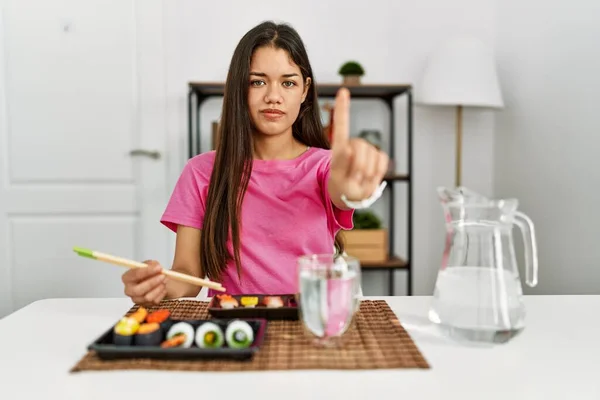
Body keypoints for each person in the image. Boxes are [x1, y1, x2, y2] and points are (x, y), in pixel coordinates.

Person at [122, 21, 389, 306]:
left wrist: (354, 190)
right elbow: (188, 274)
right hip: (235, 326)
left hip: (310, 323)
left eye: (288, 82)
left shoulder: (324, 167)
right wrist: (159, 284)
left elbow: (342, 190)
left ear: (304, 90)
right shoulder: (200, 172)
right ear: (239, 87)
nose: (273, 96)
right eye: (257, 81)